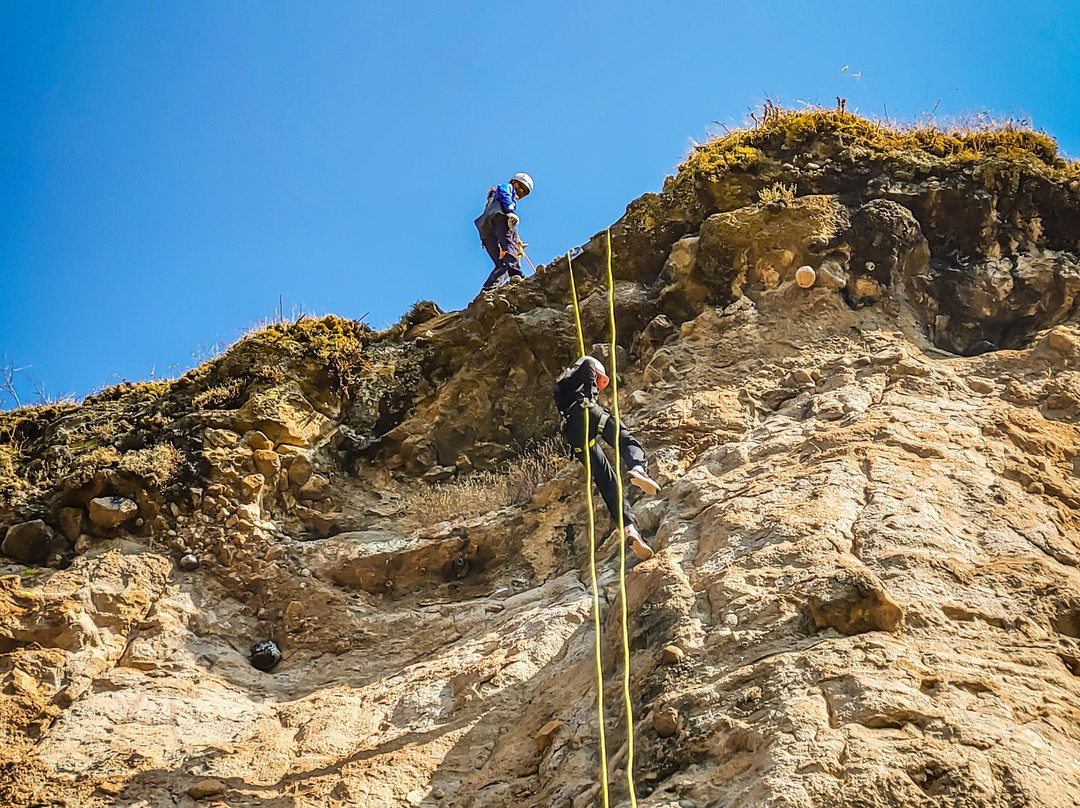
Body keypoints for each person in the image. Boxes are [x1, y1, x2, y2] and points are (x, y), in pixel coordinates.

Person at [554, 356, 661, 561]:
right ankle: (638, 468)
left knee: (607, 481)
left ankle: (630, 531)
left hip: (575, 435)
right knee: (625, 440)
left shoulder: (561, 383)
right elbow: (587, 366)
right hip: (587, 412)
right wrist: (589, 395)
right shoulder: (582, 369)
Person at [475, 172, 533, 291]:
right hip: (499, 217)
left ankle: (489, 288)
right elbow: (504, 193)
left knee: (502, 265)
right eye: (521, 187)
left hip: (486, 229)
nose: (521, 191)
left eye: (525, 192)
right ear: (513, 182)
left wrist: (517, 239)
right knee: (510, 247)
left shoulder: (492, 198)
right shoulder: (507, 188)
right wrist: (510, 211)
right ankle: (516, 274)